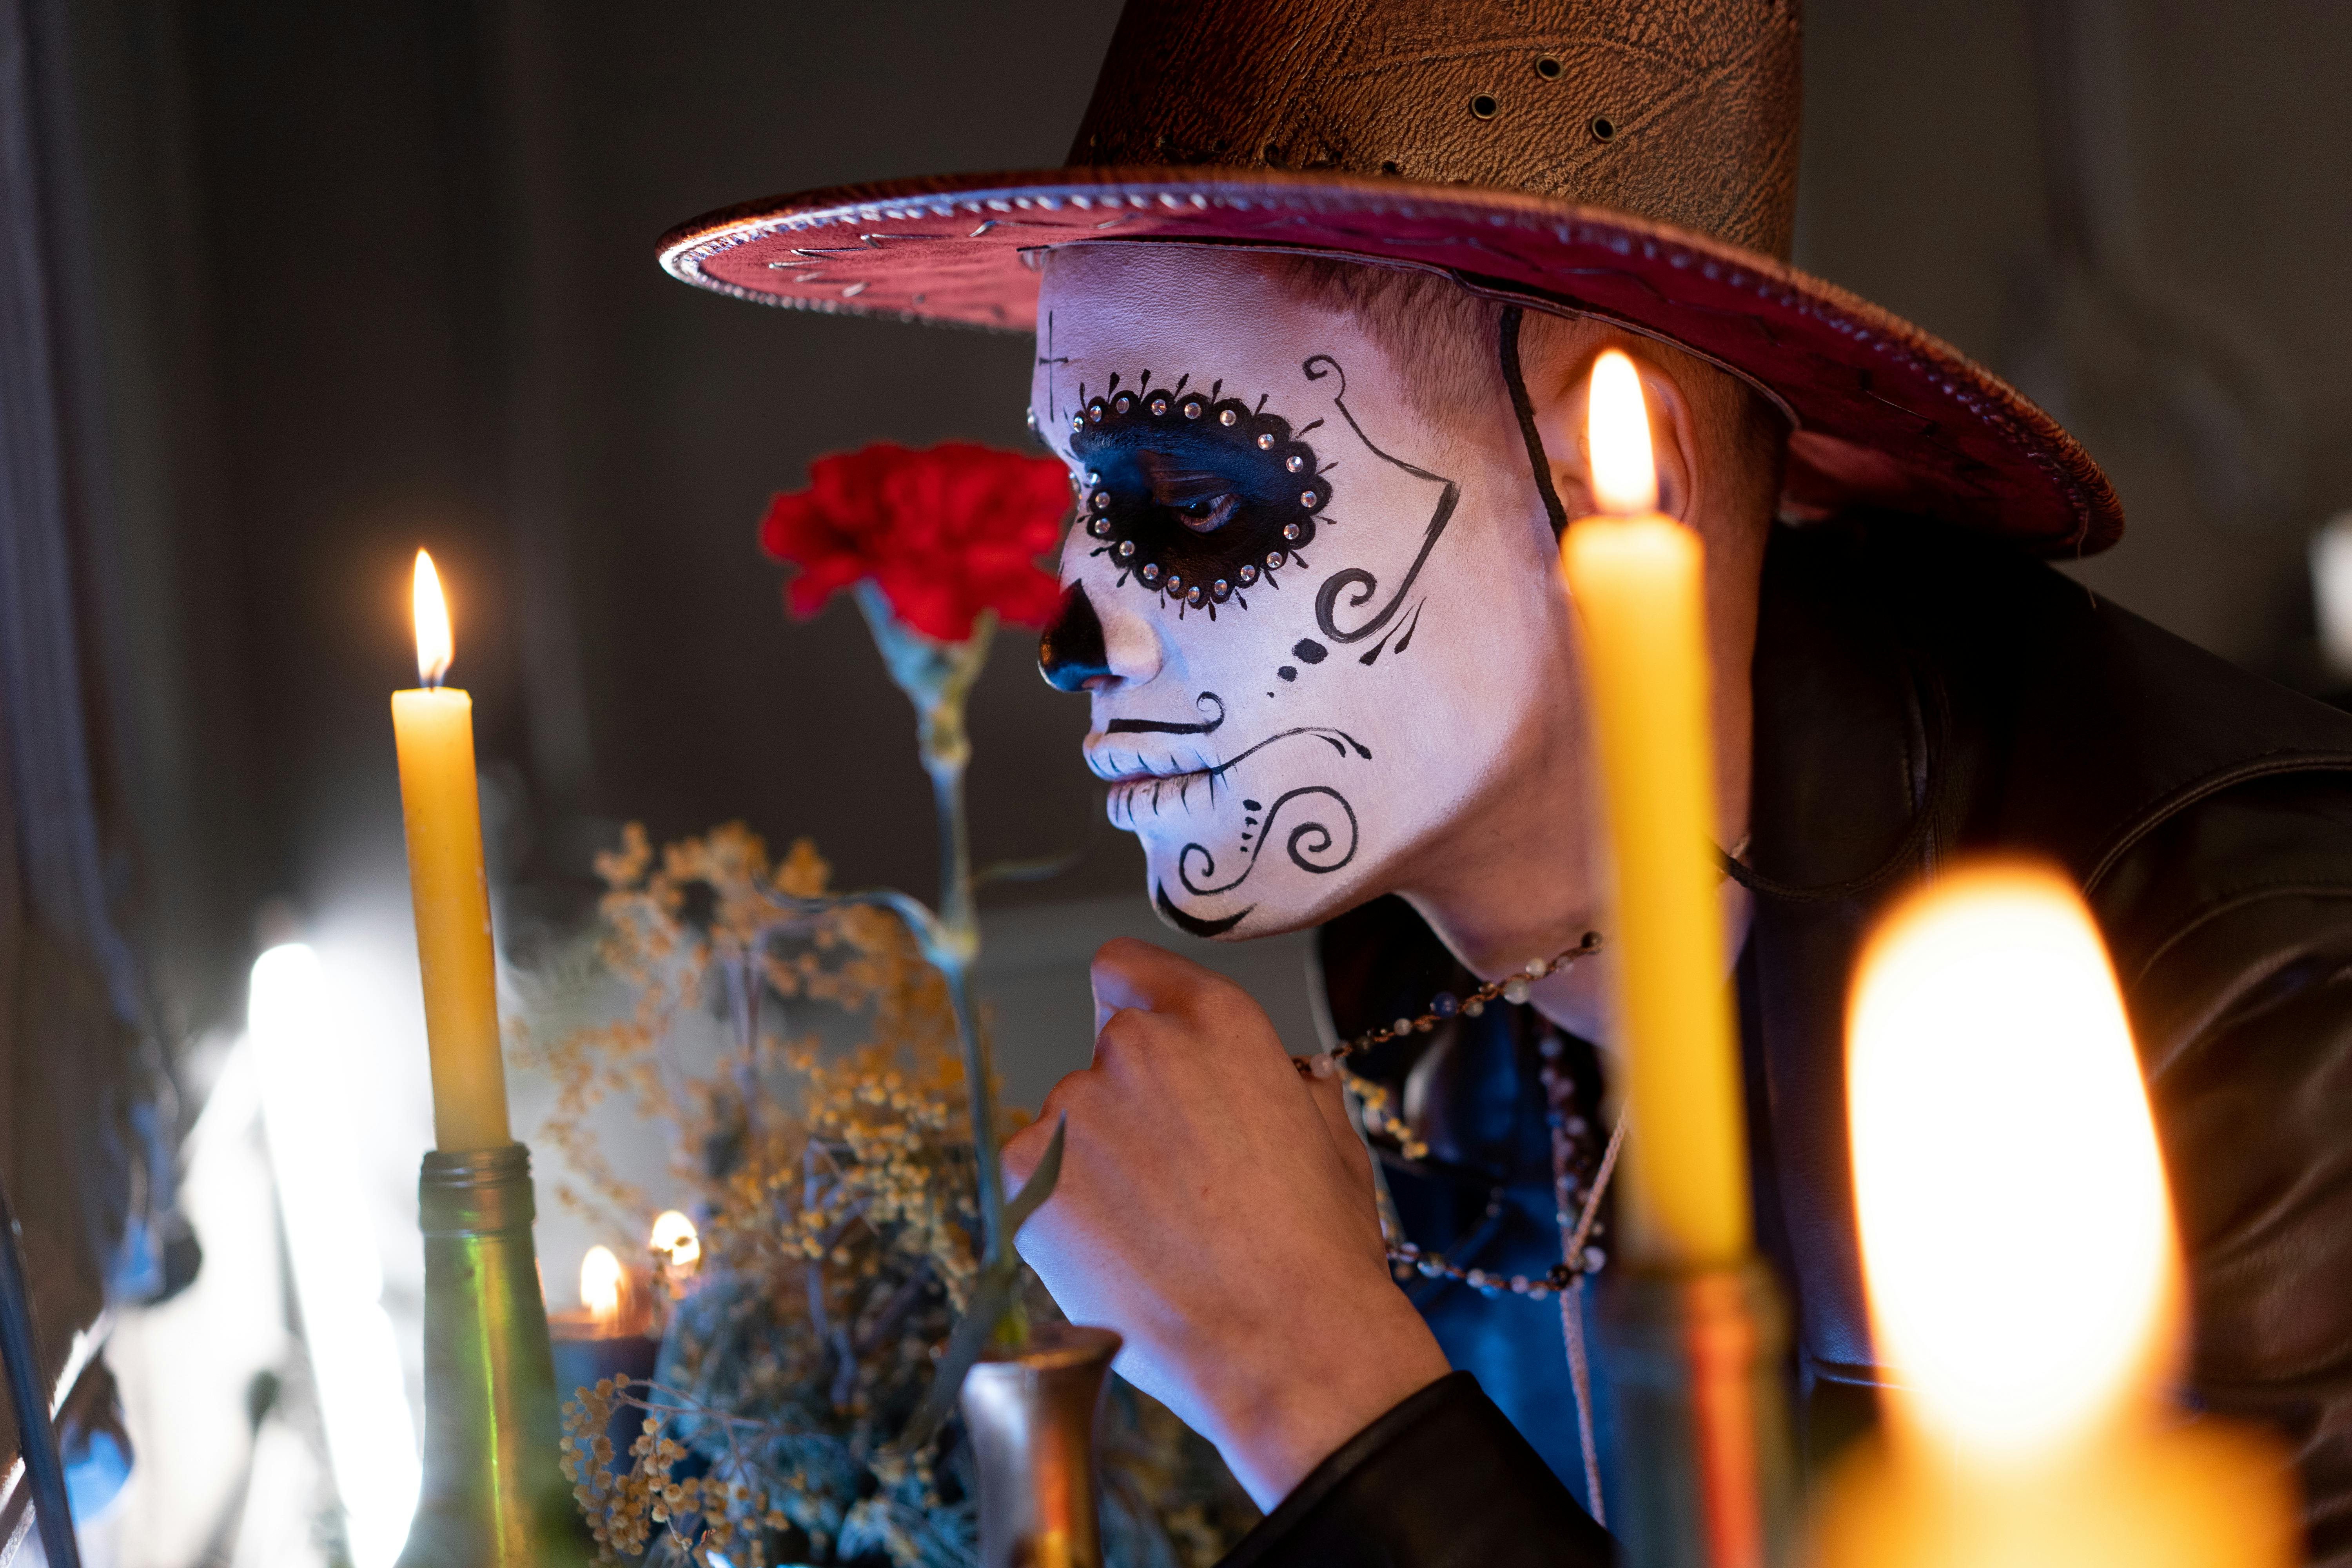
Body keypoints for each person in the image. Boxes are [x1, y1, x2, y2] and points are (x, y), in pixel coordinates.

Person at [659, 2, 2352, 1562]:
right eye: (1076, 504)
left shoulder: (2247, 982)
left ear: (1628, 474)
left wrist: (1305, 1376)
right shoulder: (1429, 985)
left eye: (1184, 497)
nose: (1075, 636)